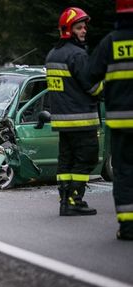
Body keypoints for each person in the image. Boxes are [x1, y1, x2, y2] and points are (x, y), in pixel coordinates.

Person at [45, 7, 101, 216]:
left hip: (62, 122)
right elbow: (93, 87)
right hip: (82, 120)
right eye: (79, 27)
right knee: (86, 159)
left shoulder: (53, 54)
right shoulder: (77, 55)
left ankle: (65, 201)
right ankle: (75, 200)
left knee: (66, 162)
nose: (84, 30)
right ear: (68, 30)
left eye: (84, 26)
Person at [86, 0, 133, 240]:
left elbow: (90, 79)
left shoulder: (110, 42)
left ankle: (127, 226)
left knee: (124, 172)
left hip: (120, 121)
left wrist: (106, 93)